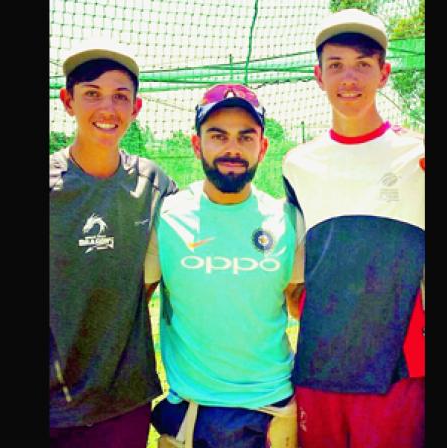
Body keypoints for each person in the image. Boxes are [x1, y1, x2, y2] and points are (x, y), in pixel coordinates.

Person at [281, 8, 425, 448]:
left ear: (383, 74)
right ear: (317, 75)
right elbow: (298, 263)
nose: (350, 78)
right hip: (321, 364)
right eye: (336, 65)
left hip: (398, 371)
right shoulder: (296, 163)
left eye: (363, 65)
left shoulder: (417, 155)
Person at [144, 84, 305, 448]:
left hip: (273, 408)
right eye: (218, 136)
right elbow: (133, 303)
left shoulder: (288, 220)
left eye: (245, 137)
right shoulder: (165, 217)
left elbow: (300, 302)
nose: (232, 148)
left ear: (262, 147)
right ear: (196, 144)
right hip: (194, 411)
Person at [49, 37, 177, 448]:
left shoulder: (155, 184)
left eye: (120, 96)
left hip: (124, 401)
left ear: (136, 108)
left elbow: (162, 271)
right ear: (68, 102)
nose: (107, 108)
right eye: (92, 94)